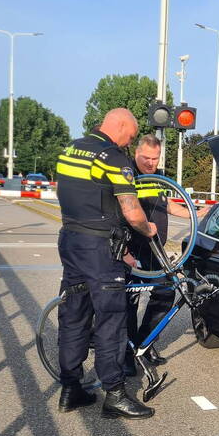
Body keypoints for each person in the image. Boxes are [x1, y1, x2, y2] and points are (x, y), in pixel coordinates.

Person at [55, 108, 157, 419]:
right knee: (111, 319)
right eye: (130, 134)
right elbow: (131, 210)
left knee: (74, 316)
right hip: (100, 249)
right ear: (122, 125)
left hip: (71, 239)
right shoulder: (112, 157)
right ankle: (115, 394)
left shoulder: (71, 149)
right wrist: (146, 228)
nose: (130, 141)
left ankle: (70, 388)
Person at [125, 135, 208, 368]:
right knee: (128, 300)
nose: (151, 163)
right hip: (132, 247)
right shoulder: (126, 174)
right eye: (146, 158)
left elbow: (166, 204)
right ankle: (125, 353)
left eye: (155, 158)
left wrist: (193, 212)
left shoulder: (158, 176)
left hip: (155, 249)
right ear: (136, 153)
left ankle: (145, 344)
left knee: (165, 293)